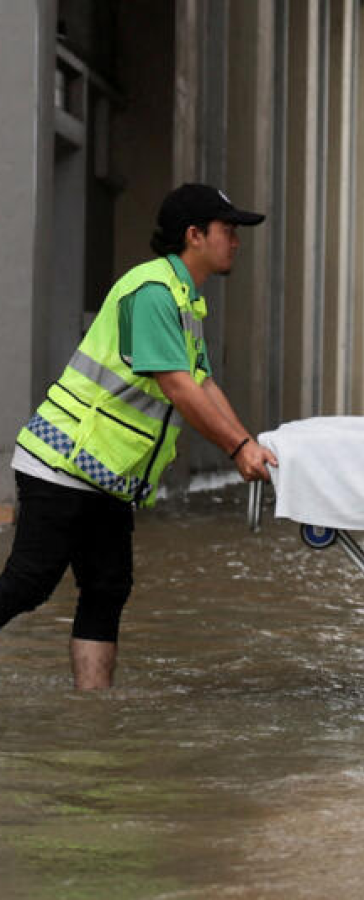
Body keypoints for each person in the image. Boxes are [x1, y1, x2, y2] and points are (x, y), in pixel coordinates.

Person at [0, 183, 278, 689]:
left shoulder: (185, 302)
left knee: (107, 588)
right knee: (28, 583)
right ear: (195, 235)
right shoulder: (152, 292)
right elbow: (177, 386)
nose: (236, 241)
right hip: (64, 462)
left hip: (107, 475)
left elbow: (203, 384)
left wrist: (249, 443)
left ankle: (92, 716)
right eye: (228, 230)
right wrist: (237, 448)